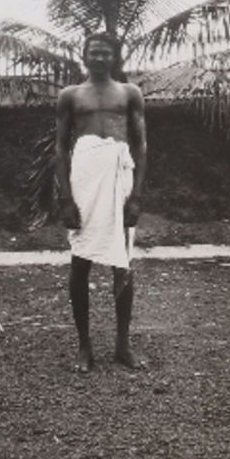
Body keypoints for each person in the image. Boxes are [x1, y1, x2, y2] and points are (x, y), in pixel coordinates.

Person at [55, 33, 147, 370]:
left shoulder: (129, 93)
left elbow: (140, 145)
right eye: (93, 51)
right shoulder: (70, 95)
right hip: (84, 180)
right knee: (81, 261)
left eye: (105, 52)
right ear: (84, 55)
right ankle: (84, 347)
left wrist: (136, 195)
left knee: (122, 262)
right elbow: (60, 148)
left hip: (119, 181)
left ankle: (123, 345)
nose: (98, 57)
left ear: (115, 57)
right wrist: (65, 199)